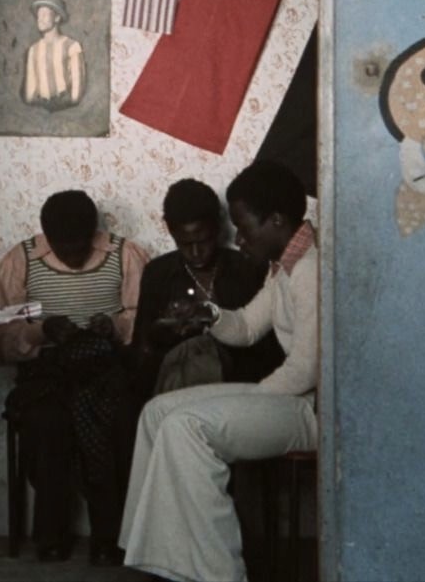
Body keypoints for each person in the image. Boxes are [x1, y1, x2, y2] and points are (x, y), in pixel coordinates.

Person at [119, 160, 317, 582]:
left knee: (186, 426)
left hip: (315, 410)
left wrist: (246, 401)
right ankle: (156, 559)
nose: (239, 238)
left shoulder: (312, 270)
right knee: (156, 412)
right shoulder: (285, 266)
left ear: (277, 220)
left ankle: (219, 574)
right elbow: (245, 327)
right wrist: (207, 313)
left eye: (244, 228)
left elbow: (304, 372)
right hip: (292, 397)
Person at [0, 190, 149, 566]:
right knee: (48, 422)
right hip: (47, 373)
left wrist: (113, 327)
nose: (73, 257)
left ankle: (111, 535)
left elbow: (143, 320)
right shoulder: (21, 260)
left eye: (80, 248)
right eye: (63, 248)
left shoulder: (125, 255)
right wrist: (41, 332)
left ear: (93, 234)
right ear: (46, 236)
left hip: (104, 369)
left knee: (119, 418)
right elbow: (0, 343)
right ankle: (51, 535)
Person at [130, 178, 283, 400]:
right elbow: (141, 349)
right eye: (185, 243)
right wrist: (166, 332)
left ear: (217, 227)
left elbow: (268, 347)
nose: (195, 253)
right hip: (176, 386)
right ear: (171, 232)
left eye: (203, 241)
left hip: (238, 388)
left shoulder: (247, 268)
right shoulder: (158, 273)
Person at [23, 0, 85, 110]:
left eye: (44, 14)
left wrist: (69, 103)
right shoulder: (33, 49)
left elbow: (77, 89)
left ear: (57, 18)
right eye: (38, 15)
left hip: (66, 108)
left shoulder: (72, 46)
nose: (39, 19)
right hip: (40, 109)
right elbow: (30, 91)